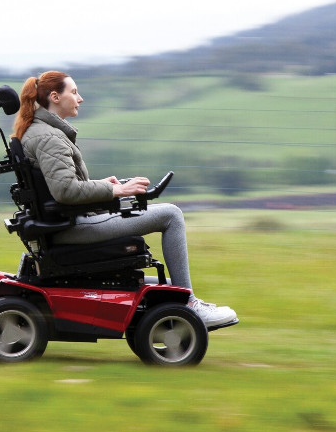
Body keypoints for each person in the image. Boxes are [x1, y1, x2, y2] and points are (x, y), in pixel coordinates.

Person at [12, 70, 237, 327]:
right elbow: (65, 191)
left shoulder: (39, 132)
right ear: (55, 97)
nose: (80, 98)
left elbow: (63, 187)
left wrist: (103, 186)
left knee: (164, 212)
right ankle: (190, 305)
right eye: (74, 92)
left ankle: (184, 301)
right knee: (171, 215)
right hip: (73, 228)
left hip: (68, 223)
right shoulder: (49, 138)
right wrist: (117, 191)